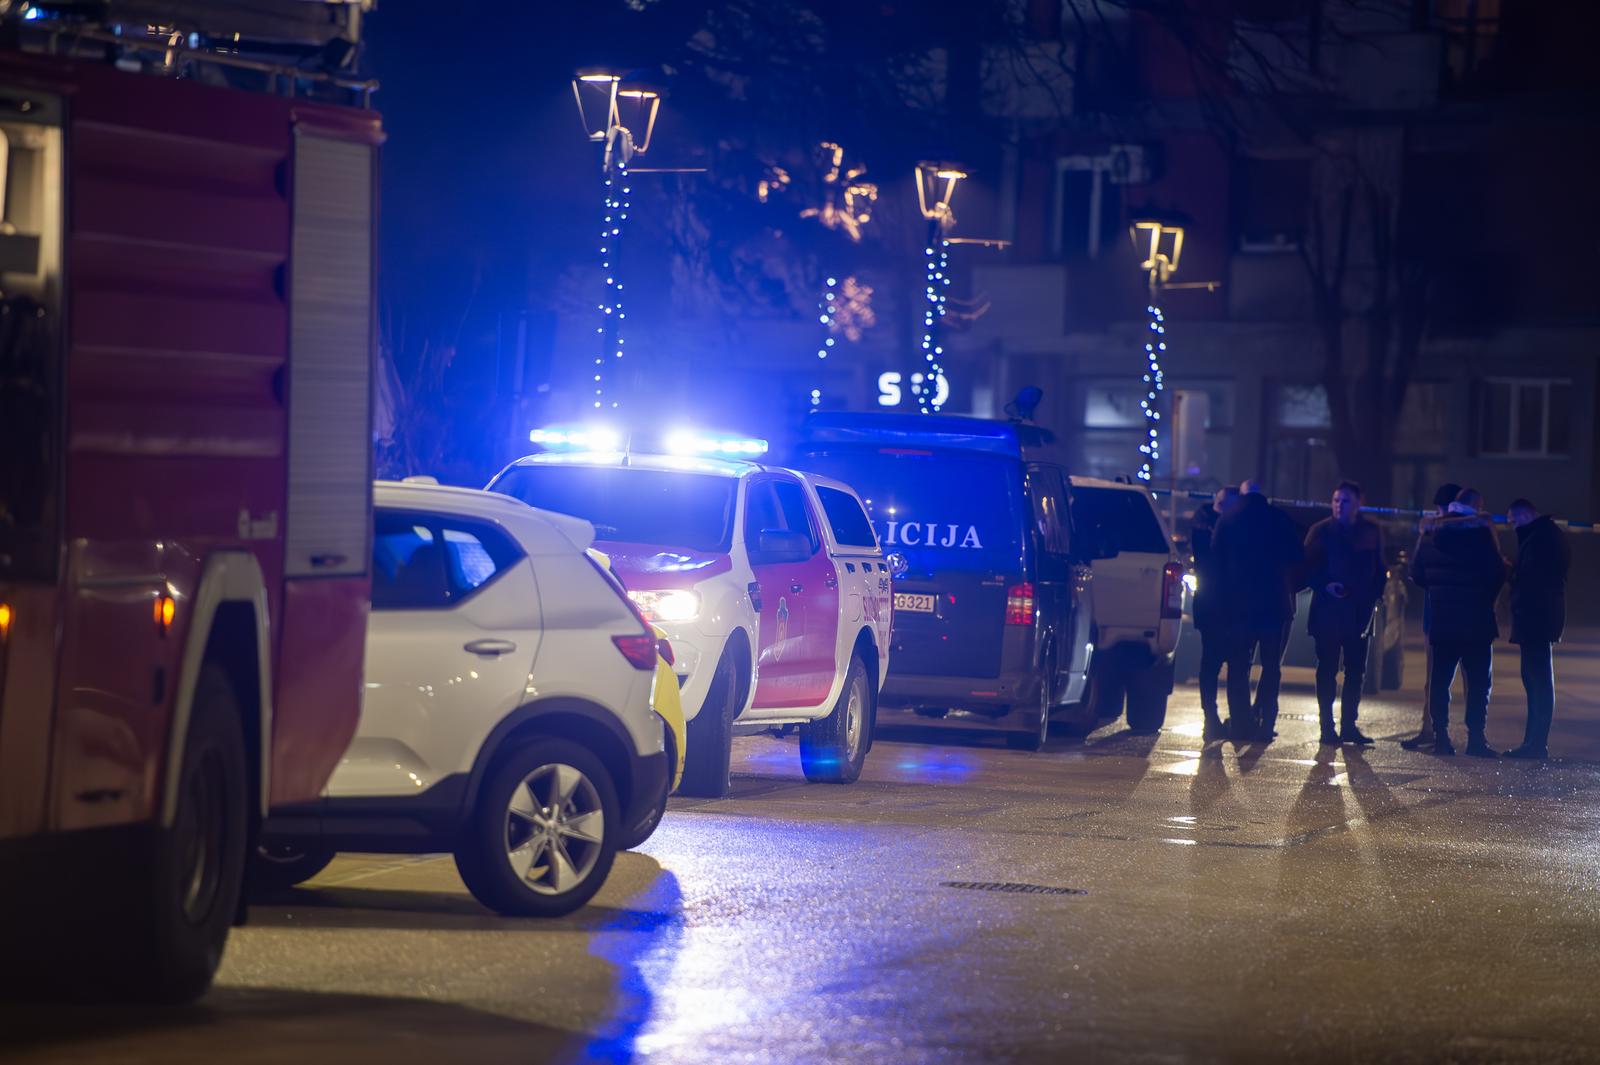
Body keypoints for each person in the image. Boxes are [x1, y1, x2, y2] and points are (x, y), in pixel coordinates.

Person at [1409, 488, 1506, 756]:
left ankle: (1442, 738)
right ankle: (1476, 739)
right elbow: (1498, 573)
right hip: (1477, 621)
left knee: (1440, 682)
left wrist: (1440, 591)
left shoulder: (1432, 533)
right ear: (1477, 505)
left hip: (1444, 619)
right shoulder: (1482, 534)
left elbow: (1417, 574)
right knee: (1477, 684)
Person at [1212, 479, 1304, 742]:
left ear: (1242, 494)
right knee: (1272, 666)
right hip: (1273, 605)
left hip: (1239, 607)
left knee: (1239, 666)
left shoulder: (1228, 519)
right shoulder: (1279, 519)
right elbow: (1297, 555)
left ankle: (1240, 724)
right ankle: (1266, 721)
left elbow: (1215, 558)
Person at [1302, 481, 1385, 746]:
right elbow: (1305, 567)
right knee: (1326, 670)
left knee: (1355, 671)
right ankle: (1327, 727)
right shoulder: (1321, 531)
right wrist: (1324, 584)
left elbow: (1380, 569)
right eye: (1336, 500)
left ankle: (1349, 725)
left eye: (1345, 501)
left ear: (1358, 503)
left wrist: (1371, 597)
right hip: (1328, 610)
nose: (1339, 505)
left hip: (1358, 613)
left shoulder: (1371, 532)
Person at [1506, 499, 1570, 760]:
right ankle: (1533, 743)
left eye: (1513, 520)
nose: (1512, 526)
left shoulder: (1541, 539)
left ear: (1524, 515)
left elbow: (1533, 578)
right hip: (1540, 617)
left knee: (1538, 681)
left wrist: (1512, 573)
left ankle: (1535, 744)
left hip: (1537, 618)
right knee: (1536, 680)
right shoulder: (1545, 536)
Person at [1400, 482, 1462, 751]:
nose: (1439, 513)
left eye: (1442, 508)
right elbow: (1417, 572)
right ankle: (1431, 729)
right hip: (1435, 615)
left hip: (1456, 614)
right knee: (1433, 679)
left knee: (1458, 678)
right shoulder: (1433, 533)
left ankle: (1449, 733)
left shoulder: (1465, 534)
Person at [1190, 485, 1242, 742]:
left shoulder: (1217, 527)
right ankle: (1211, 717)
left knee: (1228, 664)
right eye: (1221, 503)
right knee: (1212, 663)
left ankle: (1226, 718)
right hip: (1214, 606)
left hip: (1226, 606)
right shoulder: (1206, 526)